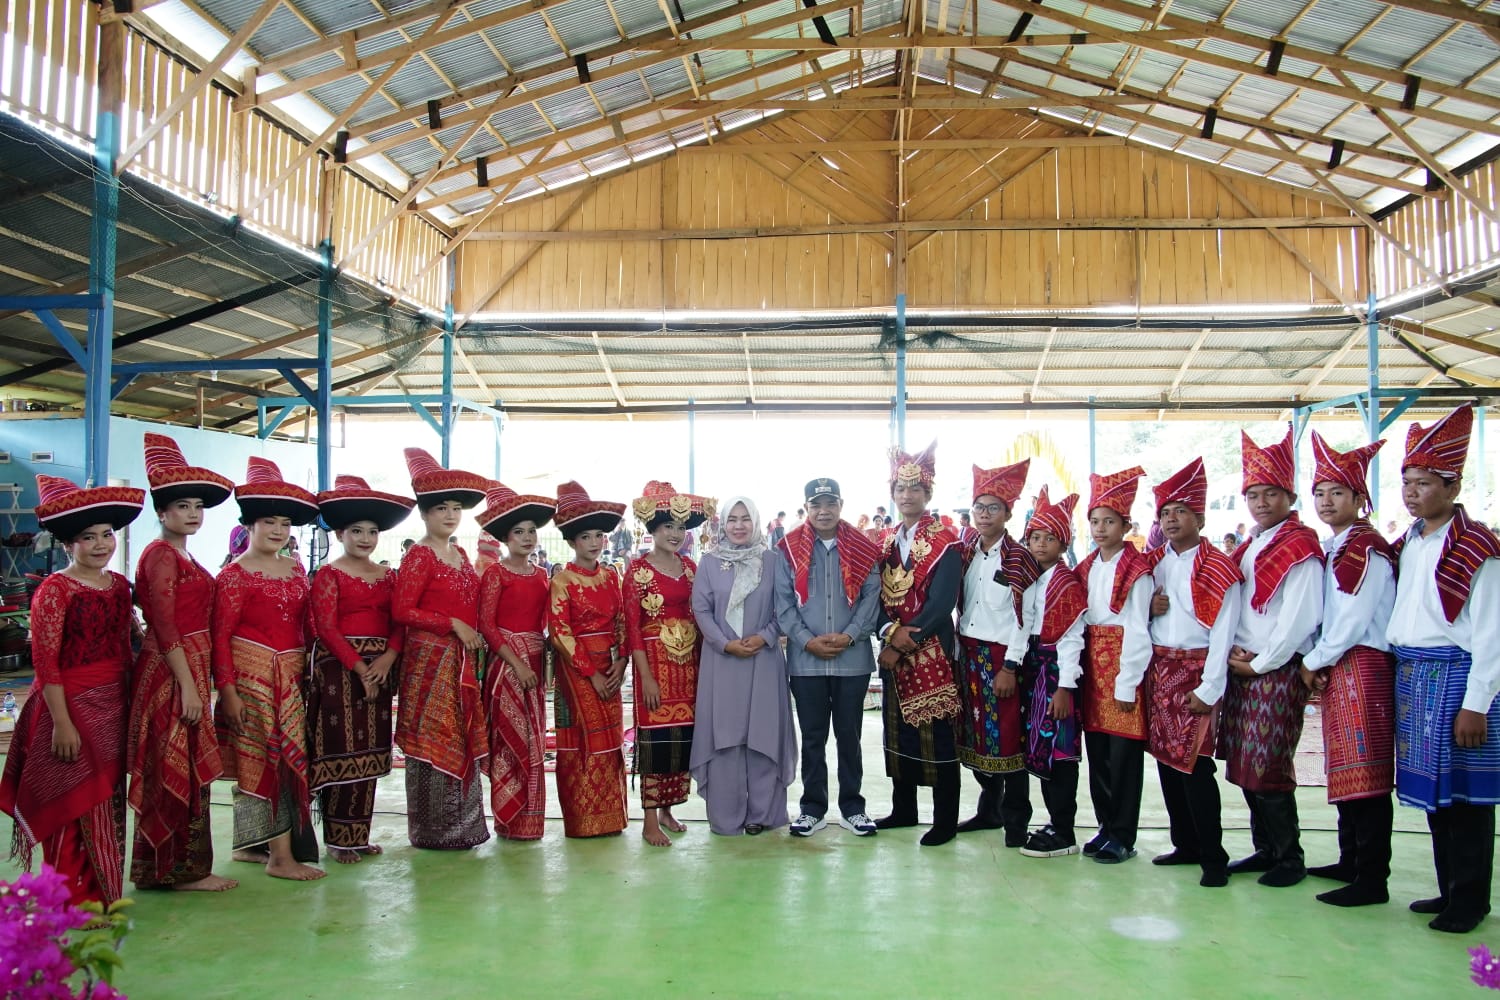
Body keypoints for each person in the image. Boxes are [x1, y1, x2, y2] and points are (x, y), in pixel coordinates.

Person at [0, 475, 143, 906]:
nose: (101, 544)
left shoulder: (118, 586)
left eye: (106, 535)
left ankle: (104, 895)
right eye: (88, 537)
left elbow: (126, 646)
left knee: (107, 800)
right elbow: (46, 664)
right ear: (67, 544)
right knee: (73, 803)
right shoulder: (54, 590)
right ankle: (70, 902)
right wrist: (61, 723)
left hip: (112, 706)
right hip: (67, 708)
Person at [1388, 405, 1500, 934]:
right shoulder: (1409, 542)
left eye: (1424, 483)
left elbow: (1491, 634)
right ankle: (1448, 888)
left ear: (1452, 486)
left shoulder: (1480, 549)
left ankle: (1471, 900)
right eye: (1407, 482)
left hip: (1458, 676)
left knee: (1467, 798)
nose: (1412, 493)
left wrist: (1477, 702)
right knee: (1438, 795)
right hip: (1416, 674)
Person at [127, 433, 237, 892]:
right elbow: (165, 625)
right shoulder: (161, 556)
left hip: (189, 666)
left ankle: (183, 867)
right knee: (170, 766)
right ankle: (172, 870)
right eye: (182, 506)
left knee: (188, 768)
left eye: (197, 506)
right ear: (162, 512)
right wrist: (191, 687)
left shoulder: (181, 554)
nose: (192, 514)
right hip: (171, 672)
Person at [1220, 428, 1324, 889]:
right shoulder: (1252, 545)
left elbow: (1299, 620)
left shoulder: (1300, 547)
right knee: (1244, 765)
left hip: (1274, 669)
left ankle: (1290, 857)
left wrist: (1259, 663)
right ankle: (1265, 848)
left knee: (1269, 766)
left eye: (1270, 494)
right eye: (1253, 495)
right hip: (1245, 665)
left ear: (1291, 496)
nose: (1260, 503)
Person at [214, 457, 323, 881]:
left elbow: (306, 623)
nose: (278, 531)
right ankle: (280, 858)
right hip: (251, 677)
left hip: (291, 677)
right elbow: (220, 637)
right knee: (265, 761)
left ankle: (251, 846)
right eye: (268, 522)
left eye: (284, 523)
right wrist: (228, 692)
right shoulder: (233, 576)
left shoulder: (295, 568)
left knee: (278, 759)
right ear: (249, 526)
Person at [1299, 432, 1397, 907]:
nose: (1326, 501)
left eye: (1337, 492)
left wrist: (1314, 660)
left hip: (1363, 664)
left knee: (1367, 771)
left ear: (1360, 499)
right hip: (1341, 663)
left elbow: (1355, 619)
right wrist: (1320, 657)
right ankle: (1350, 859)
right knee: (1344, 768)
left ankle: (1372, 878)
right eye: (1319, 492)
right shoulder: (1338, 545)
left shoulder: (1366, 547)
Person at [1145, 457, 1242, 888]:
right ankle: (1184, 843)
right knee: (1167, 764)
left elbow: (1224, 632)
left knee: (1197, 767)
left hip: (1198, 670)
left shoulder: (1220, 567)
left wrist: (1210, 686)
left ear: (1200, 518)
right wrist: (1147, 609)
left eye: (1180, 511)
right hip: (1161, 669)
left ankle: (1213, 857)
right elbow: (1131, 617)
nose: (1170, 520)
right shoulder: (1153, 564)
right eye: (1165, 513)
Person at [309, 475, 414, 863]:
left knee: (370, 752)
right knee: (341, 750)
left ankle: (358, 835)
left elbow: (400, 622)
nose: (366, 538)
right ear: (340, 533)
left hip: (382, 669)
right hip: (339, 672)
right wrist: (359, 668)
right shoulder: (328, 575)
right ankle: (338, 840)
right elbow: (326, 627)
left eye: (372, 531)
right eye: (356, 531)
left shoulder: (390, 576)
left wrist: (387, 659)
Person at [392, 448, 491, 850]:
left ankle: (463, 828)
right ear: (425, 514)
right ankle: (434, 830)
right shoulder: (419, 555)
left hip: (460, 664)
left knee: (460, 737)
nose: (450, 515)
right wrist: (451, 624)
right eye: (441, 509)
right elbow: (402, 610)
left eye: (455, 508)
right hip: (428, 663)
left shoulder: (460, 552)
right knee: (435, 739)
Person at [774, 477, 882, 838]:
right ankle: (812, 808)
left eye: (830, 503)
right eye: (816, 504)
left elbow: (872, 596)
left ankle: (853, 807)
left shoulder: (864, 547)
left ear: (841, 505)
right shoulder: (787, 549)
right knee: (812, 736)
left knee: (849, 736)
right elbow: (783, 605)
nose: (823, 511)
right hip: (806, 663)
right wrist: (807, 641)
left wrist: (850, 635)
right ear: (807, 508)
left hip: (853, 660)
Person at [873, 442, 963, 846]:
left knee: (938, 732)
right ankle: (904, 808)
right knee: (897, 729)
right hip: (894, 649)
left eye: (914, 489)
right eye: (900, 488)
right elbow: (873, 596)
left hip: (932, 650)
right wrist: (889, 634)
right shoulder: (886, 540)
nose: (906, 496)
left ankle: (945, 819)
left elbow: (943, 602)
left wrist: (906, 639)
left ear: (928, 494)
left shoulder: (946, 539)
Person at [690, 496, 795, 835]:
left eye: (745, 518)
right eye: (732, 519)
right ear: (722, 523)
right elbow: (701, 610)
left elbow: (785, 607)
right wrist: (725, 643)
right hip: (722, 661)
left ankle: (762, 815)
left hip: (763, 659)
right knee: (725, 739)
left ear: (756, 522)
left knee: (763, 735)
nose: (738, 525)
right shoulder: (708, 563)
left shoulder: (773, 559)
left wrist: (764, 637)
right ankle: (726, 817)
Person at [953, 459, 1038, 846]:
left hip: (1002, 659)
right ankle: (988, 810)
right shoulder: (966, 550)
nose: (984, 515)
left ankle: (1017, 820)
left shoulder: (1020, 559)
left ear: (1009, 513)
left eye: (993, 508)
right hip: (967, 656)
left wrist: (1009, 666)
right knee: (973, 737)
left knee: (1009, 741)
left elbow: (1025, 619)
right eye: (979, 508)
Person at [624, 482, 712, 846]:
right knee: (656, 740)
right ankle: (647, 820)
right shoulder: (636, 571)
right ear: (653, 531)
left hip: (689, 666)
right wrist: (644, 677)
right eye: (667, 528)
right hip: (656, 664)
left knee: (682, 739)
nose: (675, 534)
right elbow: (632, 628)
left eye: (680, 528)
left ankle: (668, 809)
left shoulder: (691, 568)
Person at [1077, 466, 1154, 865]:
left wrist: (1127, 684)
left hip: (1123, 666)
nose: (1101, 528)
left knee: (1124, 758)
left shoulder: (1137, 571)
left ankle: (1124, 834)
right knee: (1100, 754)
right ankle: (1106, 826)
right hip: (1093, 666)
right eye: (1095, 521)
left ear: (1126, 524)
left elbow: (1138, 628)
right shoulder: (1087, 567)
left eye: (1109, 521)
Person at [548, 481, 631, 838]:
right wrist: (590, 673)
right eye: (586, 537)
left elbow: (624, 621)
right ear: (571, 541)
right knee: (581, 741)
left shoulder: (612, 576)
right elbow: (560, 633)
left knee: (610, 740)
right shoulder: (562, 580)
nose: (595, 542)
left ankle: (612, 818)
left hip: (610, 668)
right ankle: (583, 822)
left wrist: (622, 663)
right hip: (575, 670)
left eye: (599, 535)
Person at [477, 482, 556, 842]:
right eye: (518, 532)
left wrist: (542, 666)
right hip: (508, 668)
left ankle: (530, 820)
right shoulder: (496, 573)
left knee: (534, 738)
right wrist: (517, 664)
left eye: (531, 532)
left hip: (535, 665)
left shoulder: (542, 575)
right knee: (510, 739)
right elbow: (486, 625)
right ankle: (507, 819)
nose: (527, 538)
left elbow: (546, 625)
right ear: (505, 538)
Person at [1015, 488, 1089, 859]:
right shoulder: (1035, 577)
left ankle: (1064, 830)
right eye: (1035, 537)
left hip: (1057, 673)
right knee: (1042, 752)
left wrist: (1064, 688)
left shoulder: (1065, 582)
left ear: (1064, 543)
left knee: (1060, 754)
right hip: (1036, 672)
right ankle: (1055, 823)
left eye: (1049, 538)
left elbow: (1072, 639)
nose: (1040, 544)